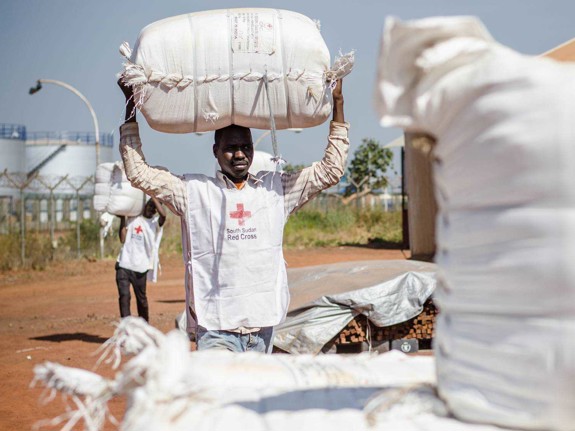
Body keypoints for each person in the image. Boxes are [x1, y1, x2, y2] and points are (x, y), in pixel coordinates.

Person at [118, 78, 348, 353]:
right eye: (230, 148)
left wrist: (337, 102)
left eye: (246, 147)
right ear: (215, 151)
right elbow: (138, 173)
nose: (239, 154)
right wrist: (131, 104)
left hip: (262, 327)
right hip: (215, 327)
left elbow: (331, 170)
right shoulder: (194, 192)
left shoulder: (276, 190)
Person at [116, 196, 166, 322]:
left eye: (153, 208)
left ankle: (144, 326)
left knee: (141, 300)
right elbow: (122, 239)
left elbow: (163, 216)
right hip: (124, 264)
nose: (150, 209)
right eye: (149, 205)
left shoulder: (155, 224)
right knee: (124, 296)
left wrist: (152, 196)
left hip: (141, 268)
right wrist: (123, 219)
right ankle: (126, 327)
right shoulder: (133, 218)